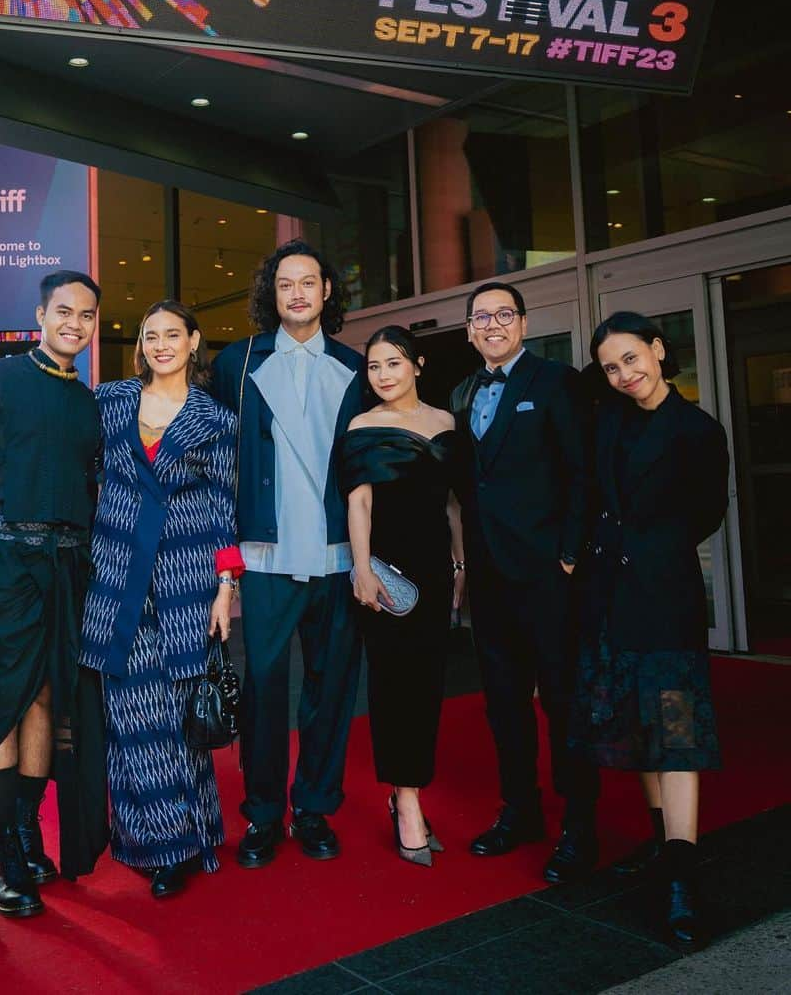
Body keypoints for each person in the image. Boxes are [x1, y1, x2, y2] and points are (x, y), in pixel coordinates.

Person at [0, 270, 108, 919]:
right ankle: (5, 854)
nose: (75, 322)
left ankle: (26, 828)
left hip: (67, 565)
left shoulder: (87, 402)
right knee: (0, 702)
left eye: (87, 314)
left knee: (48, 696)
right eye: (64, 310)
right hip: (3, 561)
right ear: (41, 314)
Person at [572, 312, 729, 949]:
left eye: (633, 359)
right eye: (612, 366)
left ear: (659, 351)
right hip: (610, 595)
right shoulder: (607, 417)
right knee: (637, 724)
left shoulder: (696, 428)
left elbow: (707, 512)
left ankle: (681, 875)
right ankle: (664, 839)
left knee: (677, 728)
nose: (624, 375)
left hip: (665, 598)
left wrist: (650, 548)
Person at [82, 300, 242, 898]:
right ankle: (155, 843)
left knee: (181, 718)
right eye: (151, 335)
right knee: (131, 719)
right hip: (116, 578)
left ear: (194, 340)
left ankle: (189, 835)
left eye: (173, 334)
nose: (160, 344)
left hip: (185, 583)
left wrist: (225, 590)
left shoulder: (216, 420)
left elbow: (229, 511)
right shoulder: (109, 401)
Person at [212, 240, 363, 867]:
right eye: (284, 284)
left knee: (332, 691)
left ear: (328, 291)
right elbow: (217, 465)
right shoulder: (235, 363)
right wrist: (224, 566)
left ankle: (315, 807)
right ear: (269, 296)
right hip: (266, 556)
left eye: (308, 282)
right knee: (264, 689)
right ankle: (264, 813)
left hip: (338, 557)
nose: (297, 293)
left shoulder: (358, 367)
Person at [449, 282, 599, 882]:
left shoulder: (556, 382)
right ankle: (522, 811)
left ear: (524, 323)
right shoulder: (461, 392)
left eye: (502, 315)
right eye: (480, 317)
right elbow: (467, 487)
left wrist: (568, 555)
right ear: (468, 329)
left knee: (564, 703)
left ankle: (580, 826)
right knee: (504, 705)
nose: (491, 325)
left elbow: (583, 474)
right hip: (489, 579)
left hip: (548, 577)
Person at [338, 326, 464, 867]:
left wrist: (460, 563)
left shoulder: (446, 423)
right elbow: (359, 504)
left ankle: (408, 789)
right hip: (387, 572)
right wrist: (361, 569)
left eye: (393, 363)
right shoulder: (362, 426)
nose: (383, 375)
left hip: (435, 568)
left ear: (417, 364)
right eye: (374, 367)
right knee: (392, 683)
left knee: (428, 683)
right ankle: (407, 801)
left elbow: (454, 503)